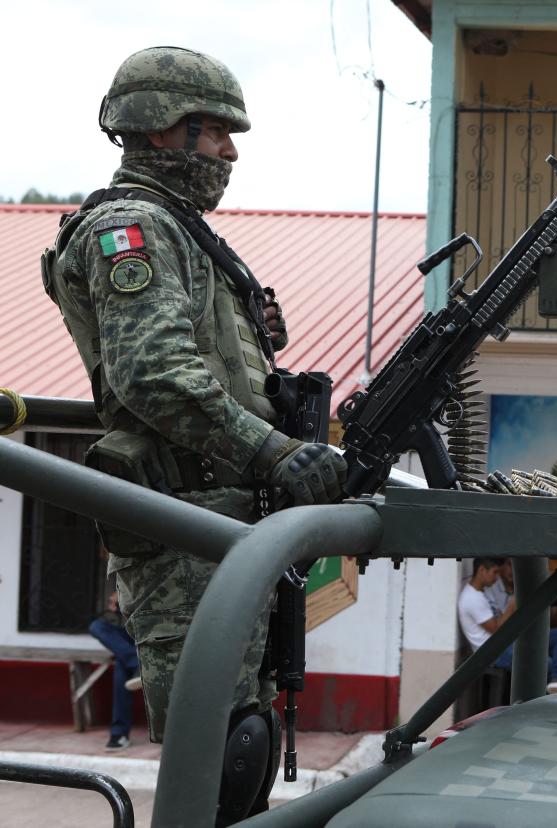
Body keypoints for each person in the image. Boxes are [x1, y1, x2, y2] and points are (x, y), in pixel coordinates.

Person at [44, 47, 347, 822]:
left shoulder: (186, 235)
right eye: (214, 132)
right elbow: (154, 375)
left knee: (237, 755)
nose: (230, 151)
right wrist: (277, 452)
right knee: (211, 766)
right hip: (187, 531)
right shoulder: (131, 229)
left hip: (221, 524)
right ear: (160, 129)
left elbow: (203, 361)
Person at [458, 559, 557, 693]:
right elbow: (496, 630)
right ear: (482, 570)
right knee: (544, 663)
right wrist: (513, 603)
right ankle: (542, 699)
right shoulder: (471, 598)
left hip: (506, 643)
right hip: (493, 653)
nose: (496, 578)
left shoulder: (483, 593)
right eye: (494, 573)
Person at [87, 590, 141, 750]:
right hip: (129, 639)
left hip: (152, 634)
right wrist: (118, 600)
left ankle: (119, 733)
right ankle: (135, 662)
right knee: (96, 626)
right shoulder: (121, 576)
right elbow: (115, 615)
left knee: (121, 665)